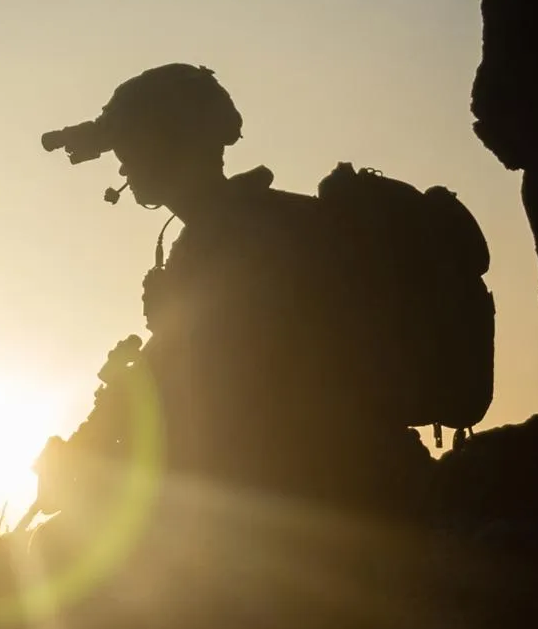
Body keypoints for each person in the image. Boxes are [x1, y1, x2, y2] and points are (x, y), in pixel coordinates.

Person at [41, 63, 430, 519]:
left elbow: (217, 391)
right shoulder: (223, 234)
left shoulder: (246, 238)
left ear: (171, 143)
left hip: (321, 494)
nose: (123, 162)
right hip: (302, 485)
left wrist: (102, 457)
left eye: (131, 144)